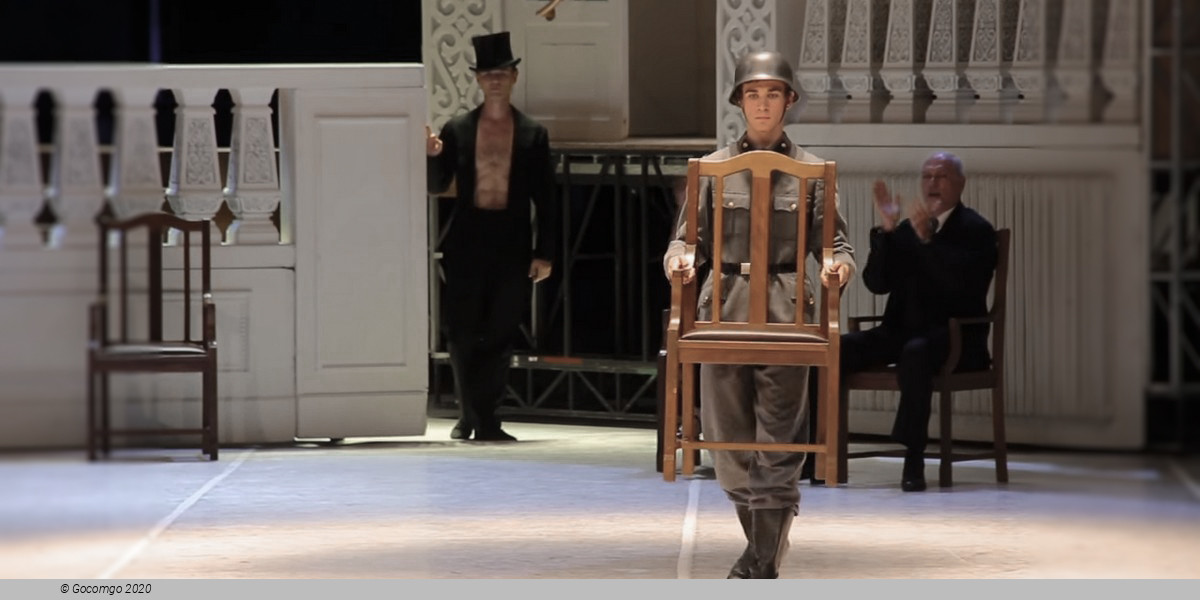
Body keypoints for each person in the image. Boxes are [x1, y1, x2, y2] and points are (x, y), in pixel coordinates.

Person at [663, 50, 855, 579]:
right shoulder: (712, 169)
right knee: (728, 445)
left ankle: (760, 563)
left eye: (773, 93)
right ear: (739, 101)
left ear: (789, 100)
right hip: (722, 311)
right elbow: (685, 240)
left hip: (787, 312)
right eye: (753, 94)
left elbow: (836, 244)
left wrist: (839, 267)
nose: (763, 104)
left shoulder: (813, 172)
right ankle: (763, 554)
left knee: (779, 441)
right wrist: (678, 259)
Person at [426, 31, 557, 442]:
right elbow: (436, 184)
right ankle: (470, 416)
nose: (494, 80)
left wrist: (544, 252)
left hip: (511, 240)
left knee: (500, 332)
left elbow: (546, 197)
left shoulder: (532, 132)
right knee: (462, 331)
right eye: (487, 74)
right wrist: (432, 157)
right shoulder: (458, 128)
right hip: (467, 237)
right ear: (478, 79)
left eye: (501, 72)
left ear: (514, 76)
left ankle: (487, 420)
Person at [841, 152, 998, 492]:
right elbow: (876, 283)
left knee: (916, 352)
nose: (932, 183)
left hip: (955, 339)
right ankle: (814, 454)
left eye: (941, 176)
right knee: (835, 350)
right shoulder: (907, 229)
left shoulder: (977, 230)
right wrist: (887, 231)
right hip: (900, 332)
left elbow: (961, 289)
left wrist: (927, 242)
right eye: (927, 176)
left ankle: (913, 459)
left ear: (960, 184)